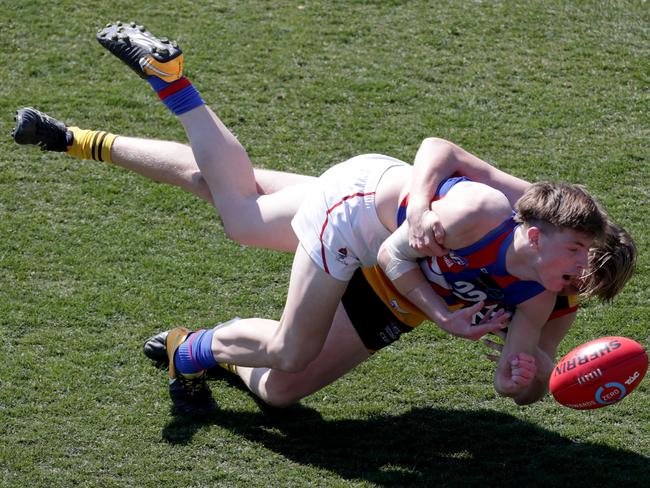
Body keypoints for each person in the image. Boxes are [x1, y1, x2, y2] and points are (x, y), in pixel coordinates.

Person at [11, 22, 635, 413]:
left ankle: (76, 135)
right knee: (253, 250)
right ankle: (191, 349)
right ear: (558, 237)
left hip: (392, 268)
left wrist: (532, 377)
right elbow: (423, 193)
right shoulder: (500, 210)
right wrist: (422, 216)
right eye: (581, 265)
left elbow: (520, 379)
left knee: (236, 200)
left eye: (588, 287)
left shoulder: (547, 298)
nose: (579, 285)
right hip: (367, 218)